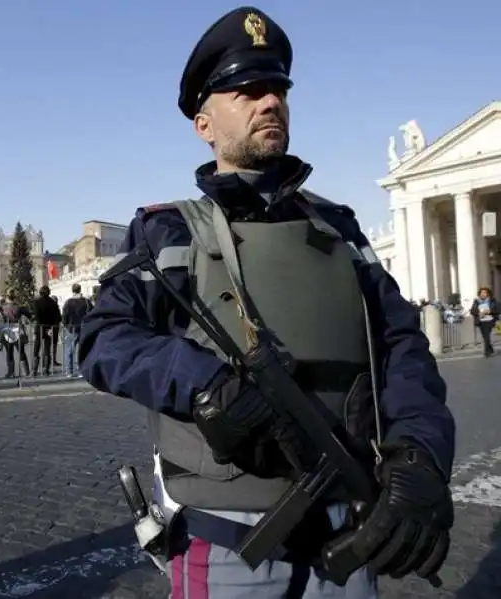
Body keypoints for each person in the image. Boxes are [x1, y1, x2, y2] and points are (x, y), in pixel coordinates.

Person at [78, 7, 455, 599]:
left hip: (347, 537)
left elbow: (402, 347)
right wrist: (204, 386)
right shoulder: (168, 233)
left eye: (277, 88)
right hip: (226, 548)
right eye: (247, 91)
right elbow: (103, 339)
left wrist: (420, 457)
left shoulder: (339, 230)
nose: (269, 101)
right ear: (204, 123)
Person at [62, 284, 93, 377]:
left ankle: (69, 372)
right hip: (84, 327)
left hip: (72, 328)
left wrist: (66, 325)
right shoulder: (86, 302)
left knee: (69, 350)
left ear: (72, 291)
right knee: (82, 350)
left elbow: (64, 315)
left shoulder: (68, 302)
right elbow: (91, 313)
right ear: (80, 290)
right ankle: (81, 370)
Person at [0, 292, 31, 378]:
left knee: (9, 352)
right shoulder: (19, 307)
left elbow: (2, 316)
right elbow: (29, 315)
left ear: (7, 297)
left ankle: (11, 372)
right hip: (18, 329)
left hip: (7, 329)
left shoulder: (2, 307)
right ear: (14, 297)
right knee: (21, 351)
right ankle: (25, 371)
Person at [32, 285, 62, 375]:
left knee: (36, 348)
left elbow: (36, 315)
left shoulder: (37, 302)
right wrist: (53, 325)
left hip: (40, 327)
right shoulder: (53, 303)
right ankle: (46, 369)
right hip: (49, 328)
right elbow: (58, 317)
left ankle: (34, 370)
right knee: (47, 349)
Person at [470, 286, 498, 357]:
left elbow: (498, 309)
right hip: (481, 321)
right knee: (485, 337)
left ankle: (486, 353)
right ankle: (490, 349)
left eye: (485, 293)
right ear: (479, 294)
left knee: (487, 336)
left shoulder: (492, 300)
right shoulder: (476, 301)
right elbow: (472, 311)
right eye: (482, 293)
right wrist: (478, 313)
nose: (483, 294)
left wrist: (490, 311)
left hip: (489, 320)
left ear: (488, 294)